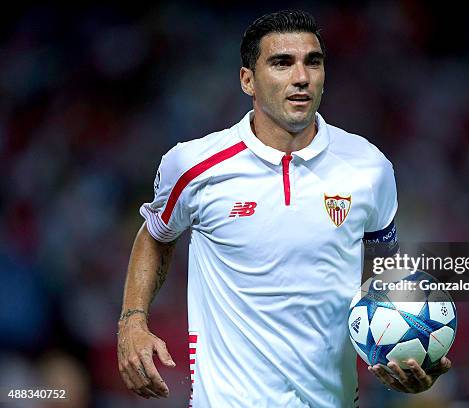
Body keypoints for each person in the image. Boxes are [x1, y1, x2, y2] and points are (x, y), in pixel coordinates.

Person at [117, 10, 451, 407]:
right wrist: (132, 321)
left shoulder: (369, 168)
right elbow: (155, 236)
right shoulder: (193, 165)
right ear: (247, 81)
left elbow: (381, 278)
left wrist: (402, 349)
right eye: (281, 63)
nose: (301, 77)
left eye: (313, 61)